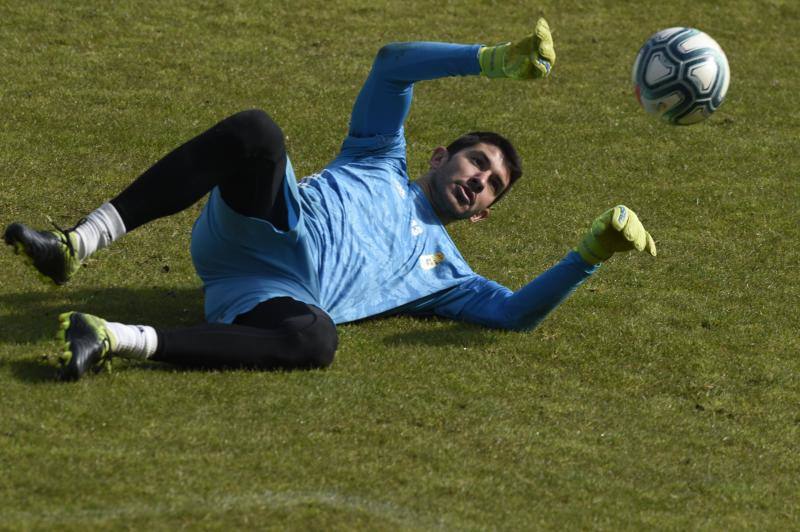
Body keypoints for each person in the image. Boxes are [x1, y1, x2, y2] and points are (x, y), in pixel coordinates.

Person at [4, 19, 656, 381]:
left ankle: (114, 339)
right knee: (257, 131)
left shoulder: (445, 277)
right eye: (475, 161)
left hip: (263, 299)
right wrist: (488, 60)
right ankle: (77, 244)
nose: (479, 178)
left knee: (316, 339)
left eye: (491, 185)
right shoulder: (377, 154)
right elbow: (393, 62)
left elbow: (515, 314)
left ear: (482, 214)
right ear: (439, 156)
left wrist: (590, 253)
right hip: (261, 227)